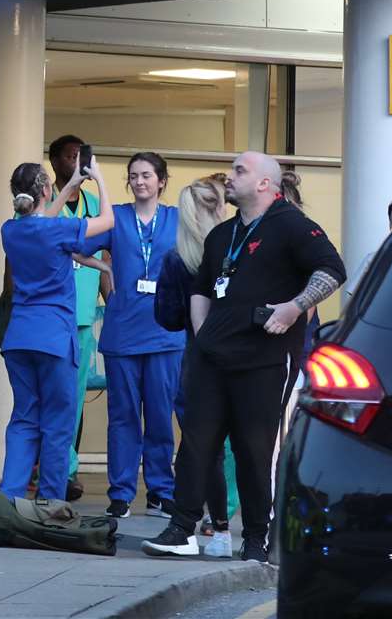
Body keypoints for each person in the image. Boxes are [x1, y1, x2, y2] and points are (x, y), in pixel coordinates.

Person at [144, 151, 345, 564]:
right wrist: (202, 337)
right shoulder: (223, 235)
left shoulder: (292, 225)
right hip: (213, 358)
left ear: (264, 184)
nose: (229, 178)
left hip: (265, 358)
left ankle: (256, 538)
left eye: (239, 171)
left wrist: (294, 308)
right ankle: (181, 528)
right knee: (197, 443)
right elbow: (201, 288)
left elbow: (331, 270)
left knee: (255, 450)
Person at [0, 158, 115, 506]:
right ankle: (50, 501)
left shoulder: (10, 229)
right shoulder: (58, 230)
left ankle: (11, 497)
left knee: (23, 418)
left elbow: (40, 224)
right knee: (57, 424)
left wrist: (64, 188)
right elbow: (106, 220)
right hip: (54, 339)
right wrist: (99, 179)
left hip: (19, 338)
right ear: (45, 190)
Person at [84, 153, 184, 519]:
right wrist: (101, 265)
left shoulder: (177, 218)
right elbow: (76, 243)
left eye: (146, 175)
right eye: (133, 176)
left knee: (160, 416)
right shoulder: (118, 218)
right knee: (123, 416)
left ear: (161, 180)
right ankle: (121, 493)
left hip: (166, 332)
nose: (139, 181)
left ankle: (160, 491)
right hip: (124, 332)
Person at [159, 175, 234, 557]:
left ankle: (215, 529)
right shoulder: (234, 254)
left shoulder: (176, 258)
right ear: (218, 207)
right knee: (253, 450)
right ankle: (254, 535)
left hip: (196, 362)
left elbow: (168, 317)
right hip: (243, 361)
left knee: (201, 450)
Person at [46, 134, 111, 502]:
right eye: (70, 156)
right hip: (51, 316)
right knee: (53, 398)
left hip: (84, 317)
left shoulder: (92, 204)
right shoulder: (47, 202)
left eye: (82, 156)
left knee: (71, 401)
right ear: (54, 161)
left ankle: (64, 471)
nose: (78, 162)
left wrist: (113, 306)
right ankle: (54, 469)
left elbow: (104, 261)